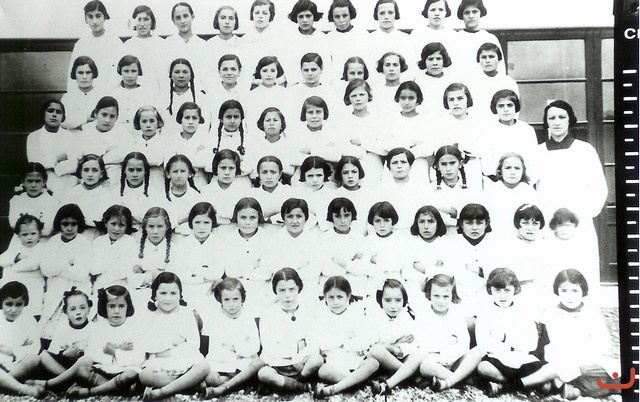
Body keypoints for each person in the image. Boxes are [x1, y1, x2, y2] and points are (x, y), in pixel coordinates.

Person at [537, 100, 607, 288]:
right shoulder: (538, 152)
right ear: (546, 122)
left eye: (562, 117)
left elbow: (599, 188)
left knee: (580, 269)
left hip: (578, 222)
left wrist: (581, 215)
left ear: (570, 120)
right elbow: (531, 187)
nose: (556, 122)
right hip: (549, 222)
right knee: (551, 269)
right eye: (551, 118)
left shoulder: (585, 150)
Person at [381, 274, 484, 393]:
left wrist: (445, 351)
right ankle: (459, 379)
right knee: (425, 366)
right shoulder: (423, 314)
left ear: (452, 295)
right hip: (434, 361)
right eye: (436, 296)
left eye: (446, 296)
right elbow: (424, 344)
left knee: (479, 351)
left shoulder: (457, 314)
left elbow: (464, 344)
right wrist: (448, 342)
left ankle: (449, 380)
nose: (441, 301)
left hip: (455, 359)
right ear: (429, 295)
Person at [476, 268, 555, 396]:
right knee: (483, 367)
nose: (502, 296)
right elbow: (484, 343)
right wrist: (513, 346)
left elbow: (531, 344)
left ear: (515, 289)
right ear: (490, 290)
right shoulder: (485, 311)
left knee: (552, 368)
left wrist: (505, 338)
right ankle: (529, 384)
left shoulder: (523, 310)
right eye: (497, 291)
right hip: (497, 359)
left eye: (507, 290)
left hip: (522, 358)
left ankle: (507, 386)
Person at [543, 269, 621, 399]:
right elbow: (560, 344)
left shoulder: (591, 313)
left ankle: (575, 390)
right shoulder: (552, 314)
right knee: (578, 371)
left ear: (583, 291)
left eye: (574, 291)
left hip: (590, 358)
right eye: (564, 291)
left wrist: (590, 347)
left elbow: (604, 343)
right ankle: (575, 388)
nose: (569, 296)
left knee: (619, 372)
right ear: (557, 291)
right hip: (563, 359)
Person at [139, 272, 210, 400]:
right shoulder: (150, 315)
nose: (168, 298)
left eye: (173, 293)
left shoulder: (186, 314)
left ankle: (162, 391)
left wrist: (166, 352)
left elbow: (194, 345)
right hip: (159, 364)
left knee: (204, 367)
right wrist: (172, 342)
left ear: (180, 294)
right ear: (155, 294)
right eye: (163, 293)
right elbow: (148, 345)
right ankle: (189, 384)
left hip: (186, 359)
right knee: (144, 375)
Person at [64, 285, 144, 398]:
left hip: (125, 370)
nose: (117, 311)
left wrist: (115, 352)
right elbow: (91, 353)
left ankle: (92, 392)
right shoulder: (98, 326)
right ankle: (120, 390)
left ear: (128, 307)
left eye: (121, 306)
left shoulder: (135, 326)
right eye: (111, 306)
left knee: (130, 375)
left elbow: (139, 357)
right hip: (103, 370)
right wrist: (113, 350)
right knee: (82, 372)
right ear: (104, 307)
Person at [257, 268, 323, 393]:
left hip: (302, 364)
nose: (287, 295)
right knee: (264, 373)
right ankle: (302, 387)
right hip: (277, 364)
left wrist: (299, 357)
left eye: (292, 289)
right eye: (282, 290)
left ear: (299, 289)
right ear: (275, 291)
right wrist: (296, 346)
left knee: (317, 360)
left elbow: (313, 344)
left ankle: (293, 382)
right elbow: (269, 347)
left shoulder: (307, 311)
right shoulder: (269, 313)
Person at [313, 276, 380, 396]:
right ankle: (362, 382)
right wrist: (345, 337)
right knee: (323, 371)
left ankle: (336, 387)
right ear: (325, 298)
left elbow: (364, 341)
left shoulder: (356, 314)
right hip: (334, 363)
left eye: (340, 297)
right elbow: (323, 344)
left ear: (348, 297)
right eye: (331, 297)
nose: (335, 302)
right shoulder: (322, 316)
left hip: (356, 360)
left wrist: (343, 342)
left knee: (373, 363)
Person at [202, 278, 263, 398]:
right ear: (220, 300)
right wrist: (239, 351)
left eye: (235, 299)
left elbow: (254, 347)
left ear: (242, 299)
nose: (231, 304)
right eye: (227, 300)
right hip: (222, 364)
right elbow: (215, 351)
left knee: (258, 364)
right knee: (210, 377)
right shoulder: (215, 318)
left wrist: (234, 348)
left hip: (246, 363)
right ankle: (239, 383)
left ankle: (224, 387)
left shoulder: (247, 316)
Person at [40, 205, 92, 323]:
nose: (69, 228)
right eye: (65, 224)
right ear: (59, 224)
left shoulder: (83, 243)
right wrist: (68, 263)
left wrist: (55, 269)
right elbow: (46, 270)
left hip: (77, 290)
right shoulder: (53, 241)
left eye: (73, 224)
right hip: (55, 290)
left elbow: (81, 274)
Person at [36, 288, 94, 391]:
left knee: (86, 362)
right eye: (73, 309)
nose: (78, 312)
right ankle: (70, 381)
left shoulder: (94, 328)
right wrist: (64, 354)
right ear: (66, 312)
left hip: (81, 367)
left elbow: (95, 354)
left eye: (82, 308)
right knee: (43, 355)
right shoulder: (62, 327)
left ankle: (58, 383)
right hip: (62, 366)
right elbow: (53, 350)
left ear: (89, 309)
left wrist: (81, 352)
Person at [171, 202, 223, 314]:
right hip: (187, 290)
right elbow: (179, 272)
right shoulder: (184, 244)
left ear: (212, 223)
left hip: (210, 290)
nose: (201, 227)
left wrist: (194, 271)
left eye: (206, 222)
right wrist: (203, 275)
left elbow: (217, 272)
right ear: (191, 223)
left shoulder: (217, 244)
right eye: (197, 222)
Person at [366, 279, 416, 387]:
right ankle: (410, 374)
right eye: (388, 300)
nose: (393, 306)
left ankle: (401, 374)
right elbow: (372, 345)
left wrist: (389, 346)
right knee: (376, 352)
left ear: (404, 300)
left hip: (399, 360)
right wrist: (394, 346)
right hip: (381, 360)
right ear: (380, 300)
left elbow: (410, 344)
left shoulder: (406, 318)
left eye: (398, 300)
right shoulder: (375, 318)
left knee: (417, 355)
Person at [0, 282, 44, 398]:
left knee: (34, 359)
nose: (13, 309)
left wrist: (10, 350)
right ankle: (23, 389)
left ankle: (7, 382)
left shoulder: (29, 321)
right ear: (1, 302)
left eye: (19, 305)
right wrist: (21, 348)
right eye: (9, 304)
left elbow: (35, 348)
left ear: (25, 303)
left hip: (18, 367)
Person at [67, 0, 123, 92]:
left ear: (104, 17)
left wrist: (104, 93)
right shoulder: (81, 44)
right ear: (86, 19)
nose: (94, 21)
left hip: (109, 93)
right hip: (85, 93)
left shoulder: (115, 42)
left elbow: (118, 74)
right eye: (90, 16)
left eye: (98, 16)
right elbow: (72, 75)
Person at [26, 100, 79, 192]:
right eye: (50, 111)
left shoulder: (71, 137)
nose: (54, 115)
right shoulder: (33, 137)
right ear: (43, 113)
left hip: (67, 183)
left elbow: (73, 165)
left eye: (58, 112)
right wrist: (57, 159)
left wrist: (49, 164)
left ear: (63, 117)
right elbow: (35, 164)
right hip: (43, 184)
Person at [0, 215, 46, 317]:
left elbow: (32, 264)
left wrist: (13, 267)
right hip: (14, 285)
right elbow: (2, 259)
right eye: (24, 234)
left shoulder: (41, 248)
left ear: (39, 233)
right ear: (19, 236)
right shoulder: (16, 247)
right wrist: (17, 257)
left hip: (33, 284)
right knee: (13, 309)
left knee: (32, 308)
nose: (29, 237)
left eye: (33, 233)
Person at [131, 207, 174, 308]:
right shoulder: (135, 248)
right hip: (138, 297)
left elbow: (171, 281)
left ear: (167, 227)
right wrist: (157, 275)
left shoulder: (174, 250)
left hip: (164, 298)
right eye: (151, 226)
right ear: (145, 227)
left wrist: (145, 274)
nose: (155, 231)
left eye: (160, 226)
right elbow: (132, 280)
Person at [91, 205, 138, 292]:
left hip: (122, 285)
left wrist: (104, 263)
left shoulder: (130, 242)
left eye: (121, 225)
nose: (116, 229)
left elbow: (125, 270)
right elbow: (93, 269)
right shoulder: (98, 242)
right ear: (105, 223)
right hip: (100, 285)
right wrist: (114, 260)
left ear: (127, 226)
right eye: (113, 224)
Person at [453, 0, 505, 75]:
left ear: (480, 13)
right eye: (467, 12)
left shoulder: (490, 38)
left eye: (474, 12)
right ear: (462, 15)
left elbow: (500, 67)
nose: (471, 16)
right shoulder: (455, 38)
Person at [8, 162, 59, 237]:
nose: (33, 185)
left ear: (44, 181)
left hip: (43, 240)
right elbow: (14, 225)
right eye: (29, 181)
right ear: (23, 181)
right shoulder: (16, 200)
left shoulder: (51, 201)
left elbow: (47, 230)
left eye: (37, 181)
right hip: (20, 240)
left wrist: (24, 227)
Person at [123, 5, 165, 94]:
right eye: (139, 20)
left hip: (157, 90)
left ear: (152, 21)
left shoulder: (161, 43)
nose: (142, 24)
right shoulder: (128, 45)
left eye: (146, 19)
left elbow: (164, 74)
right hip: (136, 92)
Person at [108, 55, 155, 125]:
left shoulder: (147, 94)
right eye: (126, 71)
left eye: (133, 71)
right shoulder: (113, 94)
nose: (130, 75)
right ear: (120, 71)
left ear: (138, 72)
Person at [61, 56, 104, 130]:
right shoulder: (68, 97)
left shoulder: (101, 96)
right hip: (72, 135)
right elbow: (63, 121)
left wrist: (77, 123)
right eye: (80, 73)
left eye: (88, 72)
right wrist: (86, 118)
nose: (84, 77)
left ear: (93, 74)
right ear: (75, 74)